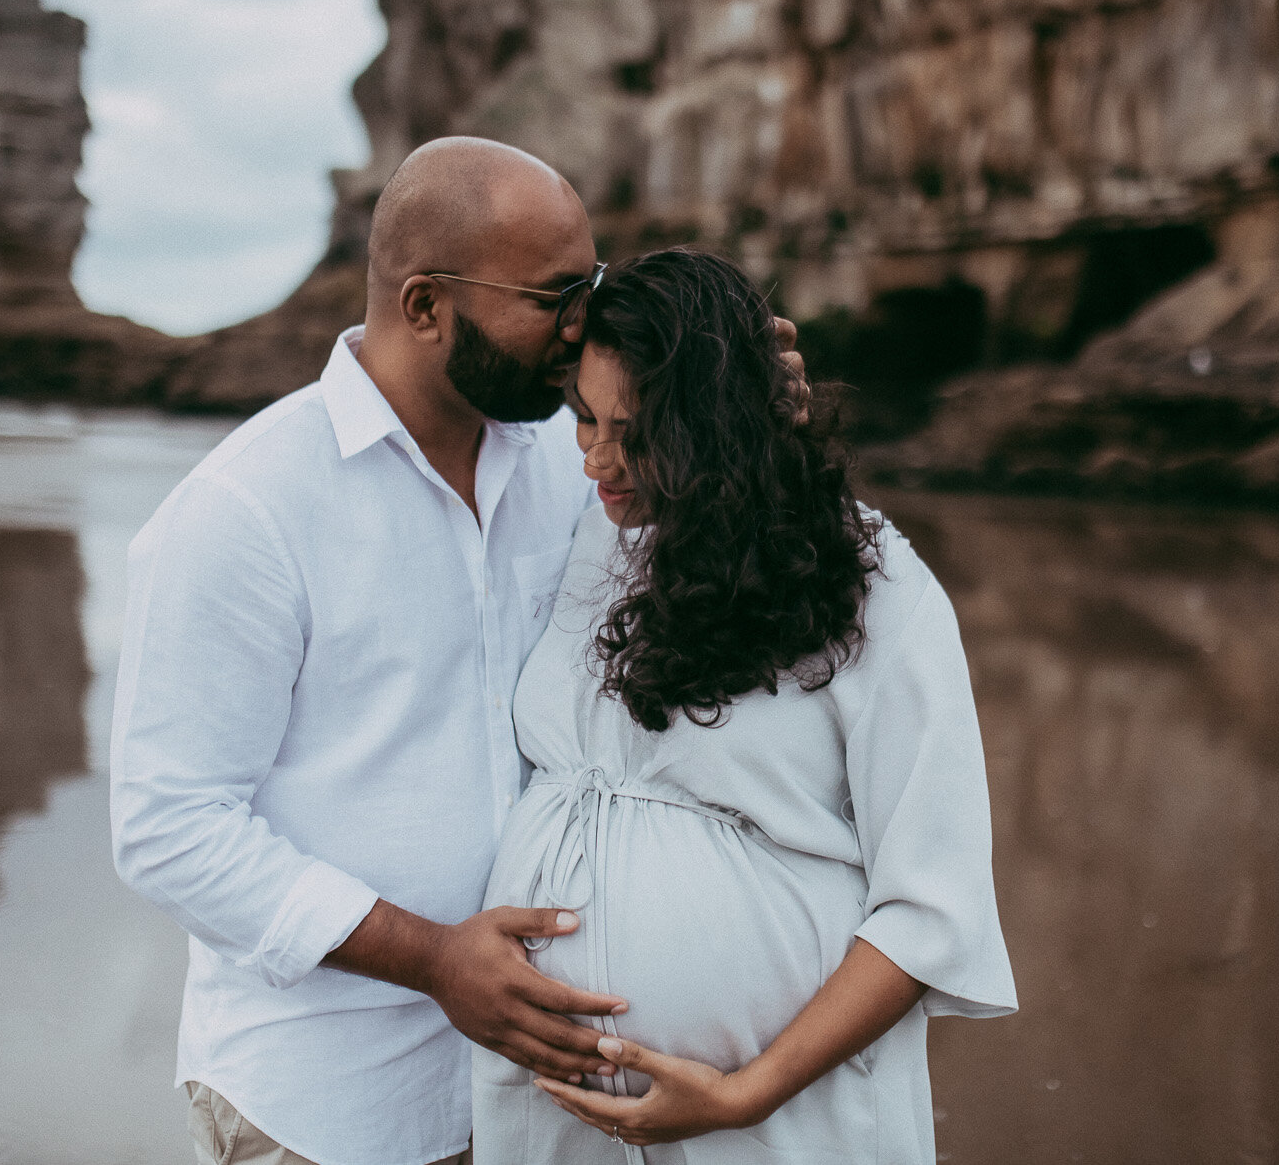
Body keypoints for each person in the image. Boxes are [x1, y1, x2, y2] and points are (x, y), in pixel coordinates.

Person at [110, 139, 806, 1165]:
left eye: (594, 286)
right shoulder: (242, 510)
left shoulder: (572, 466)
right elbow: (167, 826)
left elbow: (712, 599)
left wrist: (744, 426)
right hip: (325, 1106)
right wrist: (433, 956)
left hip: (542, 1103)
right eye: (554, 295)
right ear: (425, 303)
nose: (583, 326)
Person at [472, 250, 1017, 1164]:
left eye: (634, 432)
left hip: (780, 1123)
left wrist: (739, 1094)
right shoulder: (581, 536)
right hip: (554, 1124)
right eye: (583, 418)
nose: (597, 458)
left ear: (707, 429)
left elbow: (933, 906)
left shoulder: (873, 585)